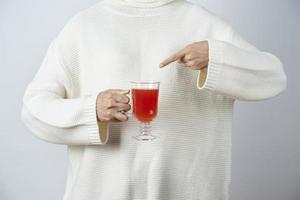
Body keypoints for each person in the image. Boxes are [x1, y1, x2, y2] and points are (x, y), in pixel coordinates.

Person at [21, 0, 287, 199]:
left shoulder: (204, 23)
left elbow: (274, 77)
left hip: (188, 191)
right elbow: (34, 108)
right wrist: (91, 109)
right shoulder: (83, 27)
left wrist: (216, 57)